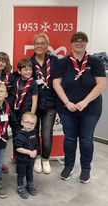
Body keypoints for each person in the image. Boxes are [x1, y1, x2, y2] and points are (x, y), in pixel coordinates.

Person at [52, 31, 106, 183]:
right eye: (76, 40)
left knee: (86, 139)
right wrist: (67, 102)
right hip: (67, 108)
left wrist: (85, 101)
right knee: (69, 138)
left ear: (86, 43)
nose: (79, 42)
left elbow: (102, 84)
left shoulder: (95, 61)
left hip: (90, 108)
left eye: (82, 40)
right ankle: (68, 166)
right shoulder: (62, 62)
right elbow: (56, 83)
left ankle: (86, 169)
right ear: (71, 43)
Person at [29, 33, 58, 174]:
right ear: (34, 45)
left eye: (42, 43)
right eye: (37, 43)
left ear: (47, 46)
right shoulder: (29, 62)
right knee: (33, 132)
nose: (39, 45)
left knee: (46, 134)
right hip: (34, 104)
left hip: (51, 103)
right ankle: (37, 158)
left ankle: (45, 159)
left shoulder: (54, 61)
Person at [14, 112, 38, 199]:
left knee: (30, 173)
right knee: (21, 173)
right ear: (22, 123)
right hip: (22, 160)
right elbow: (18, 148)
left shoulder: (33, 133)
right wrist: (29, 152)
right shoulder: (19, 135)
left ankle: (30, 184)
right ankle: (20, 187)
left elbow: (36, 144)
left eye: (32, 123)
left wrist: (35, 151)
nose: (30, 125)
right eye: (27, 122)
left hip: (31, 160)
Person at [11, 58, 38, 122]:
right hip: (15, 112)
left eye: (30, 69)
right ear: (19, 71)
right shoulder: (16, 80)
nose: (28, 72)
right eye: (25, 70)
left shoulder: (33, 83)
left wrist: (32, 115)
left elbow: (34, 102)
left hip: (26, 113)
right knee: (16, 131)